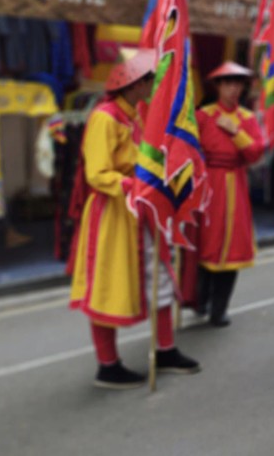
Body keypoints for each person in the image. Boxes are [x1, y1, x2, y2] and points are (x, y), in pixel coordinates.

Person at [69, 50, 200, 389]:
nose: (150, 85)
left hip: (142, 212)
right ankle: (108, 365)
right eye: (147, 80)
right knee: (107, 285)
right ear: (132, 82)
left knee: (160, 278)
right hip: (112, 213)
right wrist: (135, 184)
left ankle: (166, 350)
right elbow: (97, 173)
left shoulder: (137, 116)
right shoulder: (105, 117)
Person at [193, 62, 265, 327]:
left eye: (237, 83)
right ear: (218, 86)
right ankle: (200, 299)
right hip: (208, 184)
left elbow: (256, 153)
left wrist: (235, 132)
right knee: (205, 243)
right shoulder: (203, 115)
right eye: (227, 83)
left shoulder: (246, 119)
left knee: (233, 247)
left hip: (235, 184)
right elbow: (188, 149)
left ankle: (219, 308)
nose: (233, 89)